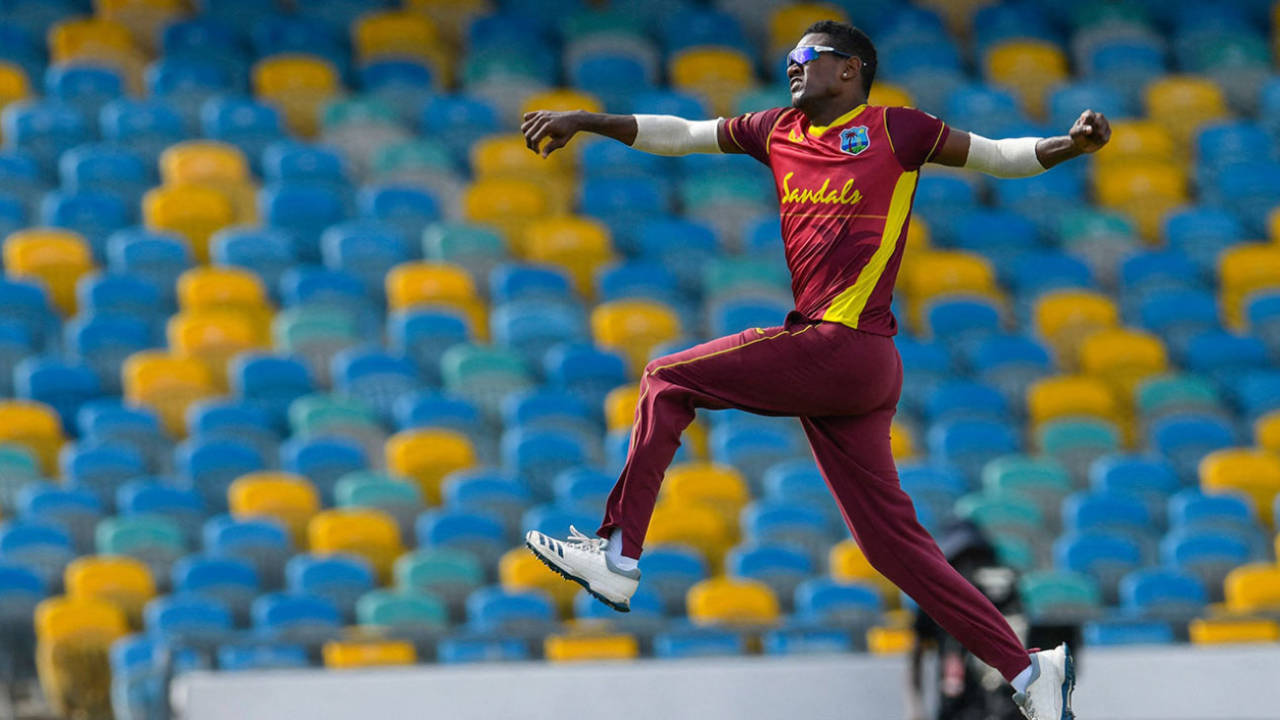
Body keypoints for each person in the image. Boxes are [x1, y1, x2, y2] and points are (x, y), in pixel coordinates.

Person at [521, 19, 1108, 720]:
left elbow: (998, 156)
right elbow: (680, 133)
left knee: (664, 380)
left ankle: (617, 555)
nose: (792, 66)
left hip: (841, 343)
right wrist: (588, 119)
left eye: (807, 57)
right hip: (855, 370)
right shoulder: (775, 129)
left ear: (850, 70)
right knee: (894, 548)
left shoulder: (898, 130)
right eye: (791, 57)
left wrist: (1068, 145)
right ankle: (1026, 671)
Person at [908, 520, 1027, 720]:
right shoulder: (936, 588)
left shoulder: (1004, 586)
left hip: (992, 701)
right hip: (966, 702)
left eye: (976, 556)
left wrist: (914, 705)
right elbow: (917, 649)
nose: (970, 566)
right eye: (964, 558)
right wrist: (915, 706)